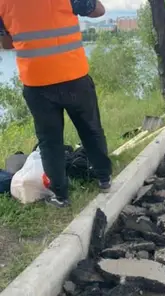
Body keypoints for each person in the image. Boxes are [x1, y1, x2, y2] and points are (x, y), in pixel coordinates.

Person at [0, 0, 113, 208]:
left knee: (49, 142)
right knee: (91, 129)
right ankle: (104, 179)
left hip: (37, 82)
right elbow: (99, 10)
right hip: (74, 76)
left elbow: (6, 43)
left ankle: (61, 196)